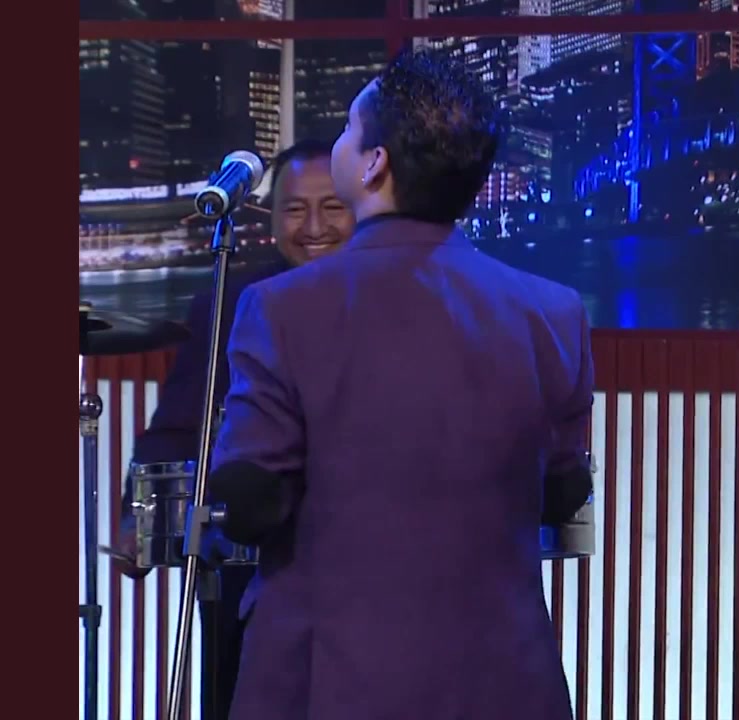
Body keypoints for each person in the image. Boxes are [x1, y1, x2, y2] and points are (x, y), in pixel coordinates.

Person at [209, 47, 592, 720]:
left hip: (329, 681)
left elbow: (250, 501)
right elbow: (564, 492)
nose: (341, 142)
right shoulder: (554, 311)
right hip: (505, 681)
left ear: (373, 164)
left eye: (349, 130)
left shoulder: (281, 308)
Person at [111, 138, 356, 720]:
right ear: (270, 219)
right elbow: (177, 427)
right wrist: (135, 519)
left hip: (364, 574)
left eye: (332, 207)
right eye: (295, 209)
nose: (314, 227)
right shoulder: (229, 300)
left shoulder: (397, 303)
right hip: (245, 569)